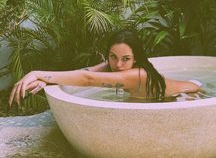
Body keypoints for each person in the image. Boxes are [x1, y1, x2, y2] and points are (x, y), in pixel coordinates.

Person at [9, 30, 201, 106]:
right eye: (113, 57)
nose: (118, 65)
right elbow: (88, 72)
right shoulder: (117, 67)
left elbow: (88, 80)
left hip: (191, 94)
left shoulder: (138, 74)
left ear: (136, 59)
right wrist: (46, 79)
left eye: (126, 59)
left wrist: (36, 73)